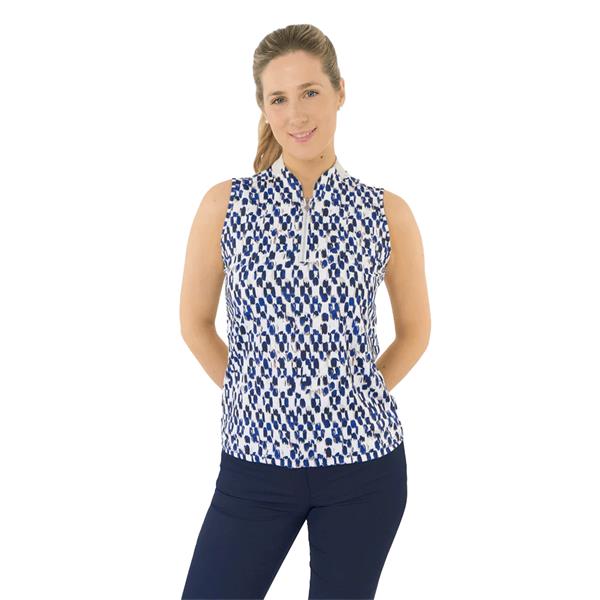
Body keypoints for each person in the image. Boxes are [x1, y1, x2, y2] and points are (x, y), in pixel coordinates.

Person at [179, 23, 430, 600]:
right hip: (253, 467)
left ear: (340, 91)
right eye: (279, 98)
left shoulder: (386, 212)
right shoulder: (226, 205)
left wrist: (355, 394)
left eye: (311, 91)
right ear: (263, 108)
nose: (296, 114)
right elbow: (194, 323)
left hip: (364, 470)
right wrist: (253, 394)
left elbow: (416, 331)